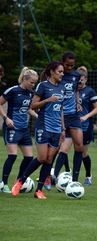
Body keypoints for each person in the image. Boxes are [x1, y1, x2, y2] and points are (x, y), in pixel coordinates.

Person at [11, 61, 65, 199]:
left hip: (57, 128)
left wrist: (63, 129)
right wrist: (47, 100)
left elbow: (61, 109)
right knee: (41, 157)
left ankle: (39, 190)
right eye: (60, 71)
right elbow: (32, 105)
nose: (62, 74)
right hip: (43, 126)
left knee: (49, 159)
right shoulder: (43, 86)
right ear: (52, 72)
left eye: (63, 72)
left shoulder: (62, 87)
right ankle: (20, 181)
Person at [53, 66, 97, 186]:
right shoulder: (70, 89)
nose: (80, 81)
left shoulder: (90, 91)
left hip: (85, 127)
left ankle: (88, 175)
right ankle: (55, 176)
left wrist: (86, 117)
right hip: (70, 123)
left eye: (82, 79)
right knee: (63, 149)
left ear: (86, 79)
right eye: (78, 79)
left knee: (83, 153)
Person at [0, 67, 38, 193]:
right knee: (13, 155)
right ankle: (3, 184)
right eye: (31, 82)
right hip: (12, 128)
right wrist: (6, 118)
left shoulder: (30, 93)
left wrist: (38, 116)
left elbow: (28, 109)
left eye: (35, 83)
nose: (33, 85)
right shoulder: (13, 90)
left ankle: (18, 181)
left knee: (29, 157)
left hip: (24, 129)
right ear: (25, 79)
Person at [52, 51, 84, 185]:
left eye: (72, 65)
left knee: (79, 147)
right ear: (62, 63)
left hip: (74, 115)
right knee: (56, 148)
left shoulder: (76, 75)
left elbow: (76, 90)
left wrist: (77, 102)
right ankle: (51, 175)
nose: (69, 68)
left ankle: (75, 180)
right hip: (60, 115)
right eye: (67, 65)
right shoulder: (58, 74)